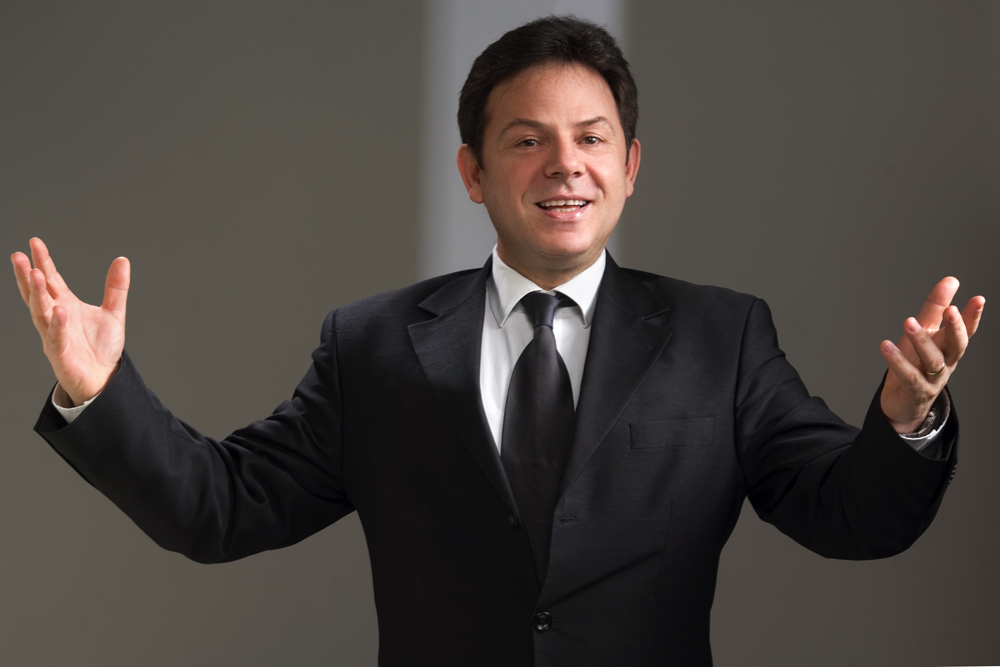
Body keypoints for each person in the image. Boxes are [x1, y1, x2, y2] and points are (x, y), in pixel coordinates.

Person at [10, 16, 985, 667]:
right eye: (527, 140)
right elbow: (221, 508)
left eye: (591, 138)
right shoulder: (373, 344)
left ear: (630, 165)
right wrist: (100, 390)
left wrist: (908, 416)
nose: (565, 165)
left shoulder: (720, 337)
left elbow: (851, 515)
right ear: (473, 173)